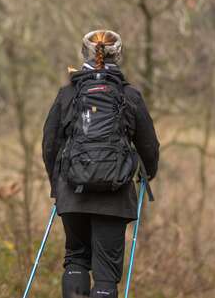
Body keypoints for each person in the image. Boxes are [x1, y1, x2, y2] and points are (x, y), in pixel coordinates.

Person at [42, 30, 159, 298]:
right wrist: (148, 174)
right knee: (106, 274)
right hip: (114, 195)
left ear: (84, 53)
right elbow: (149, 146)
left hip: (72, 193)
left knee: (76, 258)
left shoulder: (68, 93)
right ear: (118, 54)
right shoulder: (130, 94)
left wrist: (56, 185)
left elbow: (49, 144)